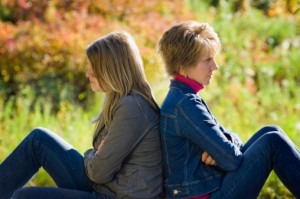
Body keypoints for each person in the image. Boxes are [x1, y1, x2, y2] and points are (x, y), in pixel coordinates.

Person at [0, 31, 163, 199]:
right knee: (39, 140)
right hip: (106, 188)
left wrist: (95, 156)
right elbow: (98, 167)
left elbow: (98, 173)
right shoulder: (120, 100)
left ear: (111, 69)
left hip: (118, 195)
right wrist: (95, 155)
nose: (88, 73)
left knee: (25, 197)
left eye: (94, 67)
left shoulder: (132, 108)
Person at [158, 21, 300, 199]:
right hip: (205, 196)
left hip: (210, 188)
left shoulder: (182, 97)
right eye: (207, 60)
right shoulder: (185, 104)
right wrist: (222, 153)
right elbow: (232, 160)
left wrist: (221, 148)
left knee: (271, 130)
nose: (215, 67)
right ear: (183, 66)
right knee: (273, 141)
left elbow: (230, 146)